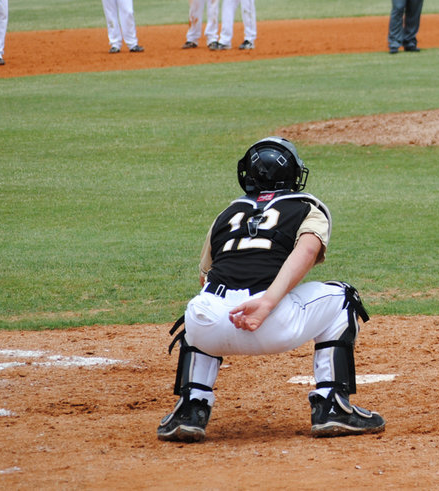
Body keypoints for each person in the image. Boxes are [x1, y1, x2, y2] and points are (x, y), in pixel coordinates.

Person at [157, 137, 385, 442]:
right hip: (272, 322)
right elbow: (304, 254)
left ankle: (190, 407)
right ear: (294, 174)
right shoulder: (308, 206)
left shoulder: (227, 214)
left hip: (207, 325)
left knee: (201, 305)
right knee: (343, 296)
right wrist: (265, 303)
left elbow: (205, 277)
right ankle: (332, 405)